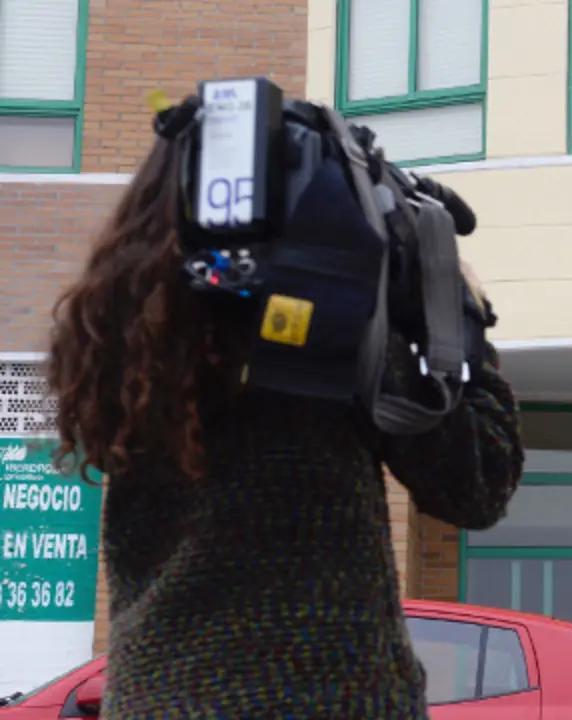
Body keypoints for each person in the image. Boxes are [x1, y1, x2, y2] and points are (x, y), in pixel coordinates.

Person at [45, 130, 524, 718]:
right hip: (325, 699)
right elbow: (478, 485)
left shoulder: (125, 345)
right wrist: (459, 319)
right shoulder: (337, 336)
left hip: (158, 697)